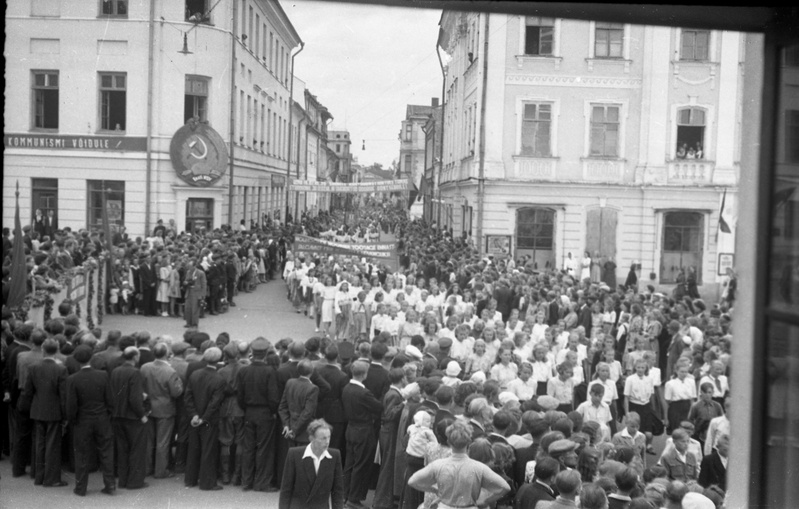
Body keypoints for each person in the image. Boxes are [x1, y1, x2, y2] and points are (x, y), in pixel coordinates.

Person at [408, 419, 510, 508]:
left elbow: (413, 481)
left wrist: (434, 490)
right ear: (469, 442)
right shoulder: (479, 467)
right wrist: (486, 501)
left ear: (449, 442)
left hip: (445, 506)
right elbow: (505, 487)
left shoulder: (438, 465)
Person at [65, 345, 116, 496]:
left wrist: (72, 420)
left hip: (82, 420)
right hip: (102, 418)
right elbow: (110, 400)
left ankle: (81, 488)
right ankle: (110, 485)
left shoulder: (72, 379)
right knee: (106, 452)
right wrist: (108, 415)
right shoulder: (103, 375)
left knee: (81, 454)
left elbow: (71, 405)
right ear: (91, 357)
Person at [19, 338, 68, 488]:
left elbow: (28, 391)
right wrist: (65, 415)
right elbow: (63, 395)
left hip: (38, 409)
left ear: (43, 349)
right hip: (54, 411)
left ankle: (39, 476)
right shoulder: (61, 369)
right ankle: (51, 478)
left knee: (39, 444)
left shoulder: (33, 367)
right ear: (57, 350)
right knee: (52, 445)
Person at [236, 337, 280, 492]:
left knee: (248, 448)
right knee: (264, 449)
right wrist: (273, 412)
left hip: (249, 412)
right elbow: (273, 398)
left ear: (252, 353)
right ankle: (262, 482)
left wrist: (246, 408)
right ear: (265, 353)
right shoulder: (270, 371)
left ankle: (246, 481)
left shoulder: (244, 371)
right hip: (265, 413)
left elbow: (239, 396)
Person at [342, 359, 383, 509]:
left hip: (351, 429)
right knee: (361, 464)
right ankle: (353, 498)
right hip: (363, 430)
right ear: (364, 374)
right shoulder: (364, 393)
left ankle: (345, 495)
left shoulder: (346, 388)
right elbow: (379, 407)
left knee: (349, 464)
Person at [184, 347, 227, 491]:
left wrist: (194, 415)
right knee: (208, 450)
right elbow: (214, 403)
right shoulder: (219, 379)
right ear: (219, 360)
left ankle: (190, 479)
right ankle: (207, 482)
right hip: (209, 419)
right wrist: (204, 418)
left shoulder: (195, 374)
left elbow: (188, 396)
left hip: (195, 418)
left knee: (193, 448)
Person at [140, 342, 184, 479]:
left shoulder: (145, 367)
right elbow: (176, 392)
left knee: (149, 441)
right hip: (165, 409)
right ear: (166, 354)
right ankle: (161, 471)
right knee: (162, 442)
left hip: (148, 407)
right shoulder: (170, 371)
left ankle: (147, 468)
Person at [279, 418, 345, 509]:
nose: (327, 442)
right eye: (323, 438)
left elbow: (337, 492)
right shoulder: (294, 455)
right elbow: (286, 490)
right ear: (311, 438)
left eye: (329, 437)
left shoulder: (334, 456)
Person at [109, 346, 149, 490]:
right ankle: (135, 482)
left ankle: (123, 480)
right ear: (135, 357)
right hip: (132, 417)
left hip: (117, 415)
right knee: (136, 450)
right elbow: (134, 399)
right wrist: (142, 415)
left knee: (122, 449)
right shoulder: (135, 373)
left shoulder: (115, 371)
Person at [278, 359, 320, 447]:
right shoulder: (313, 388)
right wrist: (294, 430)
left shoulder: (290, 383)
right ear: (312, 371)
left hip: (289, 430)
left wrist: (286, 425)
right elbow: (307, 413)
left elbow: (282, 407)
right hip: (303, 433)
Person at [183, 258, 206, 329]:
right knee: (187, 308)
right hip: (189, 291)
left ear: (194, 266)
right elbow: (186, 280)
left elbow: (204, 284)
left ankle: (194, 323)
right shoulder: (188, 272)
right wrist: (185, 283)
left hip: (196, 292)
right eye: (188, 266)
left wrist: (202, 295)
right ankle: (188, 322)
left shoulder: (201, 273)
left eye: (190, 266)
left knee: (195, 308)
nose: (189, 267)